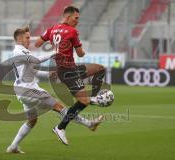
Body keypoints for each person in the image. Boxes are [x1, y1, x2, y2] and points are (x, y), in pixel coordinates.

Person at [6, 27, 103, 153]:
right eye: (27, 37)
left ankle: (13, 147)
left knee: (32, 120)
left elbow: (32, 70)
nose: (29, 40)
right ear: (19, 38)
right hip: (28, 90)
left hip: (22, 90)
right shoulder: (19, 52)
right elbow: (36, 60)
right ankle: (89, 124)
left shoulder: (22, 51)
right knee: (59, 106)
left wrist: (48, 74)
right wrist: (54, 52)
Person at [35, 5, 106, 145]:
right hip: (68, 71)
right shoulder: (72, 31)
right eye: (76, 18)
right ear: (68, 16)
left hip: (68, 69)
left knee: (100, 68)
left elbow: (37, 43)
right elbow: (80, 54)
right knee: (84, 101)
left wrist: (55, 45)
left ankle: (94, 98)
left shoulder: (52, 28)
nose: (77, 21)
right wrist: (79, 49)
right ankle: (60, 128)